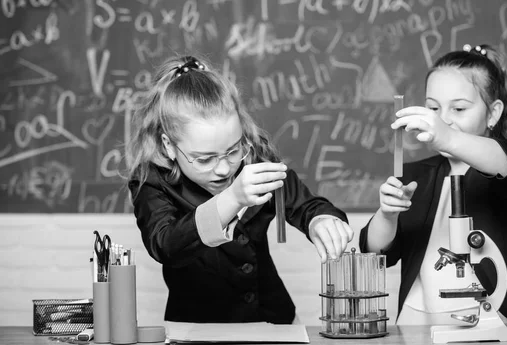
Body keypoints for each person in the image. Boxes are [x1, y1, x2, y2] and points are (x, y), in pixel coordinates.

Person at [125, 55, 354, 324]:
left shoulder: (255, 159)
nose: (223, 169)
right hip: (195, 329)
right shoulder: (153, 181)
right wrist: (232, 198)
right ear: (169, 146)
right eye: (204, 158)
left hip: (271, 321)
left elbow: (307, 205)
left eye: (233, 150)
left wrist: (321, 220)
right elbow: (165, 245)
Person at [359, 44, 507, 325]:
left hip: (497, 321)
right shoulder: (415, 174)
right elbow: (377, 255)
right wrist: (386, 215)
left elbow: (506, 161)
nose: (443, 119)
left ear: (493, 113)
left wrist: (446, 136)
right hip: (418, 324)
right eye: (433, 108)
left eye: (459, 108)